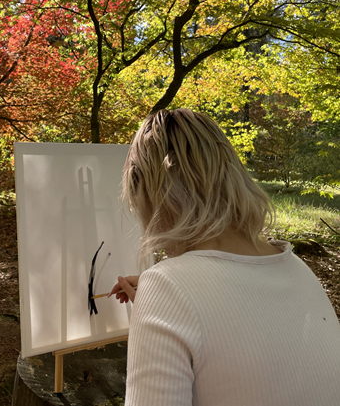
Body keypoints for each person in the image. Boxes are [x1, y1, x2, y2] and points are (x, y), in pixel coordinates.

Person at [108, 108, 340, 406]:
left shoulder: (166, 286)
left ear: (151, 195)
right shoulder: (298, 268)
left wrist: (165, 298)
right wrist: (166, 310)